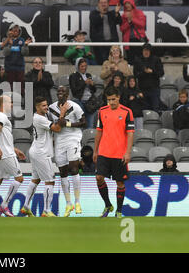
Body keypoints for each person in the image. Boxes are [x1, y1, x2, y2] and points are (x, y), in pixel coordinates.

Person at [93, 86, 135, 218]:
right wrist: (95, 151)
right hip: (104, 152)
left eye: (113, 99)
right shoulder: (102, 111)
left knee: (120, 183)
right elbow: (99, 131)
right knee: (99, 178)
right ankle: (107, 205)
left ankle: (119, 211)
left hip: (119, 154)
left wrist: (127, 153)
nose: (111, 102)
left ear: (118, 98)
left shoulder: (127, 112)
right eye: (109, 100)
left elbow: (130, 134)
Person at [20, 96, 63, 218]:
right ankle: (46, 210)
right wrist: (62, 114)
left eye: (46, 104)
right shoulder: (40, 118)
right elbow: (57, 128)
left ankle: (26, 206)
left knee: (36, 179)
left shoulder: (42, 116)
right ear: (37, 107)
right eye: (43, 105)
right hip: (42, 153)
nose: (46, 107)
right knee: (50, 181)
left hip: (36, 150)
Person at [48, 86, 86, 217]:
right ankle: (68, 203)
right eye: (58, 91)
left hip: (73, 138)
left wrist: (68, 124)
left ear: (67, 94)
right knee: (63, 172)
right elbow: (50, 125)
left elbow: (84, 122)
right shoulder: (51, 108)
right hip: (59, 141)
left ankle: (77, 202)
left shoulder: (75, 106)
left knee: (74, 168)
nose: (60, 93)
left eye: (62, 91)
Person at [0, 95, 26, 217]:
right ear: (4, 103)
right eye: (10, 102)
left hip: (2, 151)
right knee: (19, 178)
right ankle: (4, 204)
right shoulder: (1, 116)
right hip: (5, 153)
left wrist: (15, 150)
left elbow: (4, 137)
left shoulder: (0, 116)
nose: (11, 105)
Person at [89, 0, 122, 65]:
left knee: (113, 63)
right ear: (98, 4)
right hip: (99, 44)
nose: (103, 4)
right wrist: (101, 13)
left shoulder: (111, 13)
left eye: (105, 2)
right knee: (101, 63)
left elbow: (119, 21)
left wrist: (116, 12)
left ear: (108, 4)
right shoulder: (93, 13)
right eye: (101, 3)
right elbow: (94, 21)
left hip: (111, 43)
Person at [133, 43, 164, 112]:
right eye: (144, 50)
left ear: (150, 51)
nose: (146, 52)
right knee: (144, 110)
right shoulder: (138, 60)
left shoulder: (156, 60)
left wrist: (152, 72)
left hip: (154, 89)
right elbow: (135, 74)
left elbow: (161, 73)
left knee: (155, 109)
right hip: (142, 89)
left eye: (148, 50)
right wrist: (143, 72)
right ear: (142, 51)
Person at [1, 24, 31, 94]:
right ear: (10, 31)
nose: (15, 31)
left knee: (20, 88)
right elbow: (5, 53)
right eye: (14, 29)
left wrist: (25, 45)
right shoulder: (5, 39)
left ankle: (20, 102)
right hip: (9, 68)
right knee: (9, 88)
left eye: (17, 30)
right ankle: (10, 102)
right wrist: (10, 44)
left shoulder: (22, 40)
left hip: (20, 68)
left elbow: (24, 53)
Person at [69, 57, 98, 129]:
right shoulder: (73, 76)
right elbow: (74, 91)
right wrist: (84, 83)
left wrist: (92, 85)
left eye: (85, 66)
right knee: (81, 123)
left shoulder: (88, 75)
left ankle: (88, 138)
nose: (84, 68)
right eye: (82, 66)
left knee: (90, 125)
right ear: (78, 66)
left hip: (90, 102)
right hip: (79, 101)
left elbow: (94, 90)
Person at [120, 0, 147, 64]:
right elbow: (122, 29)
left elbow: (142, 24)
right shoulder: (123, 15)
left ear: (132, 4)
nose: (127, 5)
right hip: (128, 41)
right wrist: (128, 22)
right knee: (130, 60)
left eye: (128, 3)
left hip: (138, 39)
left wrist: (132, 19)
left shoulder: (139, 13)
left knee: (141, 60)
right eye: (125, 3)